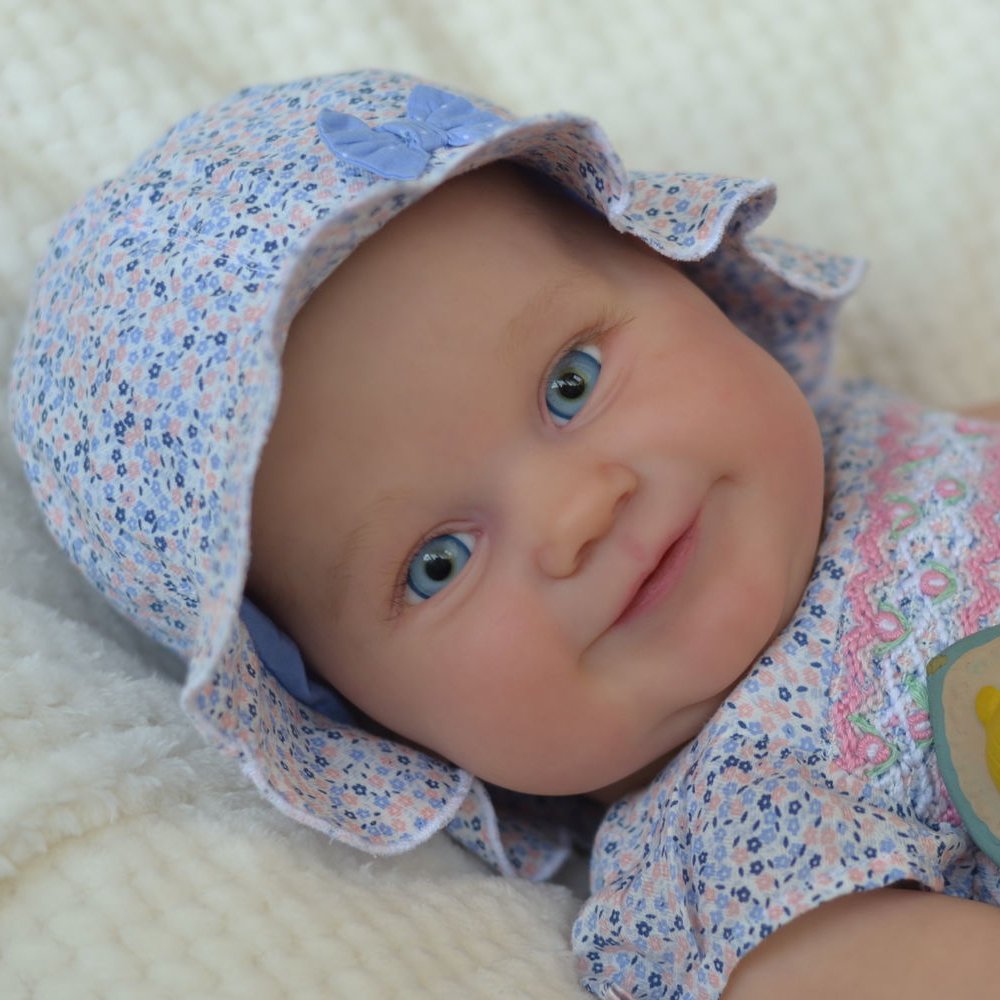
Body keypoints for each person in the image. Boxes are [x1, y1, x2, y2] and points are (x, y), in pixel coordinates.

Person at [10, 68, 1000, 999]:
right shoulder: (747, 858)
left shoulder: (879, 438)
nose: (579, 514)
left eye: (573, 383)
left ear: (681, 277)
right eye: (439, 563)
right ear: (363, 727)